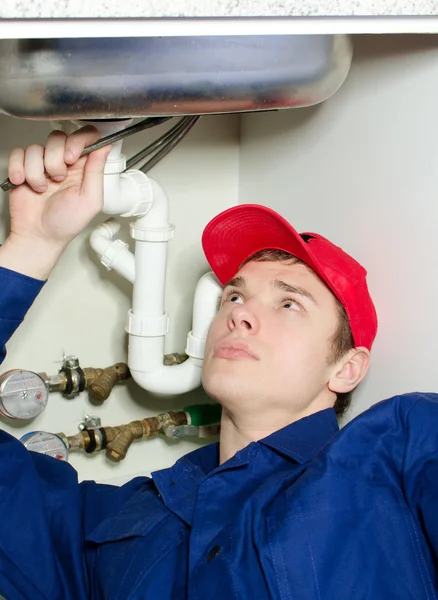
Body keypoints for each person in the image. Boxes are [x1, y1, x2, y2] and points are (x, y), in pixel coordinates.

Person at [0, 128, 437, 600]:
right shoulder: (119, 521)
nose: (239, 313)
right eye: (234, 294)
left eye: (289, 303)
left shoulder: (395, 451)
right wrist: (32, 244)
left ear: (347, 368)